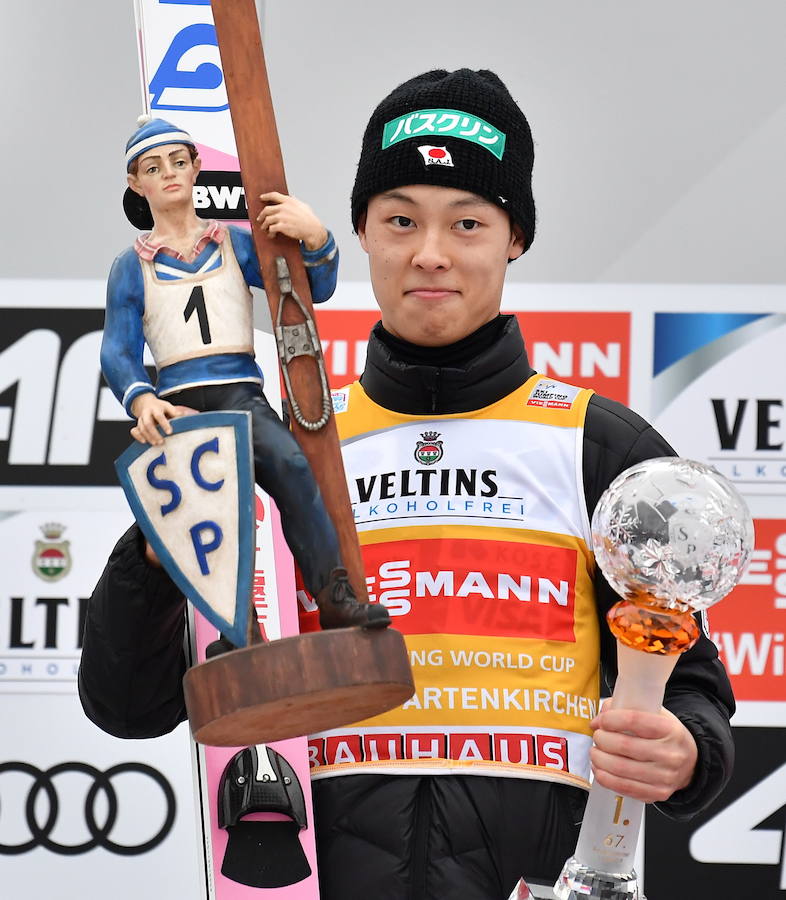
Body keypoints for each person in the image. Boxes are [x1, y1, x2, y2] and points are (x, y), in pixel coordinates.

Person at [81, 75, 735, 899]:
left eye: (467, 222)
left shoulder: (600, 446)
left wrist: (686, 752)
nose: (430, 253)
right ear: (357, 231)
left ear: (515, 238)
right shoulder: (281, 446)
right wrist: (161, 537)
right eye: (400, 220)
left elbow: (695, 690)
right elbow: (126, 703)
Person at [99, 115, 388, 631]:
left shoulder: (235, 243)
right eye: (153, 166)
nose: (168, 174)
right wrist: (142, 400)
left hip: (240, 392)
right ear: (135, 183)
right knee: (212, 515)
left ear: (195, 168)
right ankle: (240, 632)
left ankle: (335, 597)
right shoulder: (131, 266)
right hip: (179, 404)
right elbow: (118, 351)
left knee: (294, 470)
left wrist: (317, 237)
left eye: (178, 162)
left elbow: (309, 293)